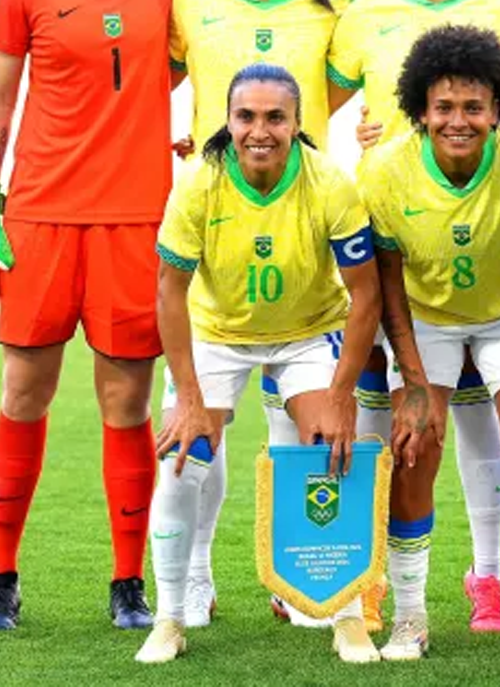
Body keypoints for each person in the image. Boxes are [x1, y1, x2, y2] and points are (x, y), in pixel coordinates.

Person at [0, 0, 190, 632]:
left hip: (136, 219)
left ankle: (127, 583)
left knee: (125, 402)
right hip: (41, 215)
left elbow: (226, 40)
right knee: (24, 392)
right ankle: (1, 578)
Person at [134, 63, 381, 665]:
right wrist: (190, 399)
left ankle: (347, 616)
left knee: (331, 448)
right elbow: (169, 291)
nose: (259, 130)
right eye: (246, 116)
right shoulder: (199, 182)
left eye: (276, 117)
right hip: (217, 332)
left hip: (306, 331)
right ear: (229, 119)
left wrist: (343, 395)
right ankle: (169, 616)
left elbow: (366, 292)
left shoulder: (328, 182)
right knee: (180, 458)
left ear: (298, 124)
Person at [166, 0, 360, 630]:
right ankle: (195, 578)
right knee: (200, 434)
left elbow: (343, 90)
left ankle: (293, 577)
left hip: (299, 221)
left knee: (297, 427)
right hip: (219, 219)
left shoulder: (326, 7)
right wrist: (207, 144)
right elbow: (165, 72)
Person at [331, 0, 500, 632]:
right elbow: (318, 106)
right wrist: (356, 144)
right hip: (397, 235)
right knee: (398, 424)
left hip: (480, 244)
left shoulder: (499, 14)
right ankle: (374, 575)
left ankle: (487, 578)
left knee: (479, 426)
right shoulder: (363, 16)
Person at [360, 25, 500, 662]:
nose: (458, 120)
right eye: (443, 107)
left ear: (497, 109)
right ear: (420, 110)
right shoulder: (388, 170)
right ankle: (409, 618)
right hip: (425, 318)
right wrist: (415, 384)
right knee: (414, 444)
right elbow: (388, 286)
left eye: (474, 107)